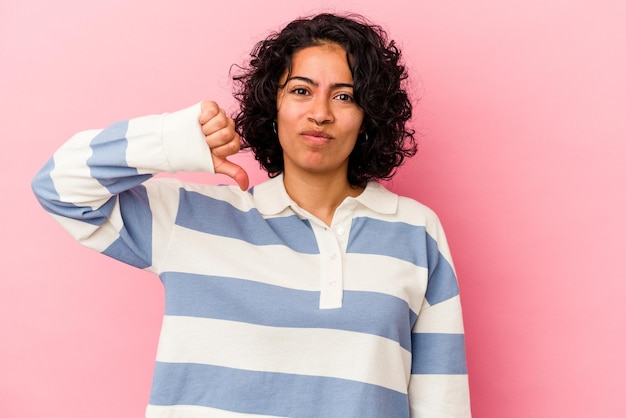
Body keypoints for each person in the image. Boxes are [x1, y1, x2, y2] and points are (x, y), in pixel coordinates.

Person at [32, 12, 471, 418]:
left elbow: (442, 401)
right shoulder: (189, 219)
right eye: (301, 91)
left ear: (368, 116)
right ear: (272, 105)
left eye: (345, 96)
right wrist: (173, 139)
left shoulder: (415, 230)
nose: (320, 113)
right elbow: (58, 186)